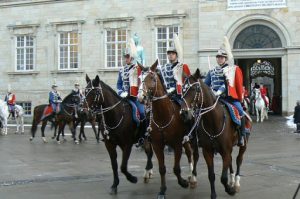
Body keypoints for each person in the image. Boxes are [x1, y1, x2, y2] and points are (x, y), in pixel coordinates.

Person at [204, 38, 246, 146]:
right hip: (214, 97)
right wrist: (208, 91)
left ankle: (242, 135)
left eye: (222, 57)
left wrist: (219, 91)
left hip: (228, 97)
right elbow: (206, 84)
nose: (219, 59)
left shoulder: (230, 69)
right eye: (218, 57)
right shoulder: (212, 71)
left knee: (240, 111)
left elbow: (228, 82)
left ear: (226, 58)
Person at [117, 47, 146, 146]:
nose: (126, 59)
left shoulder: (138, 69)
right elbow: (119, 84)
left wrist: (139, 93)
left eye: (127, 57)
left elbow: (141, 82)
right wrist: (121, 92)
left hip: (135, 97)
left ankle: (142, 136)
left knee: (142, 113)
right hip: (124, 97)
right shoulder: (121, 70)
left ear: (132, 57)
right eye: (125, 57)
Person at [159, 34, 191, 104]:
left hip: (179, 95)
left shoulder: (182, 66)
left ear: (176, 55)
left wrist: (174, 88)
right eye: (169, 53)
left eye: (172, 53)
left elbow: (188, 82)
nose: (170, 55)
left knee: (185, 110)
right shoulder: (163, 68)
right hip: (165, 94)